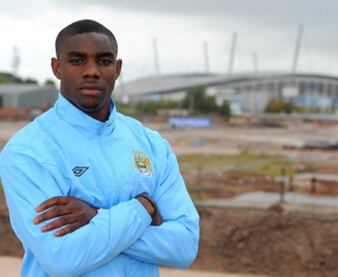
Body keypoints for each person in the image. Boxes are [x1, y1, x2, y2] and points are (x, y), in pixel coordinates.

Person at [0, 19, 199, 276]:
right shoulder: (28, 152)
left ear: (117, 69)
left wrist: (95, 216)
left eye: (103, 61)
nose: (92, 71)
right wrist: (142, 209)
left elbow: (184, 247)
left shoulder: (151, 144)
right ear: (57, 67)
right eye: (77, 60)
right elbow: (63, 259)